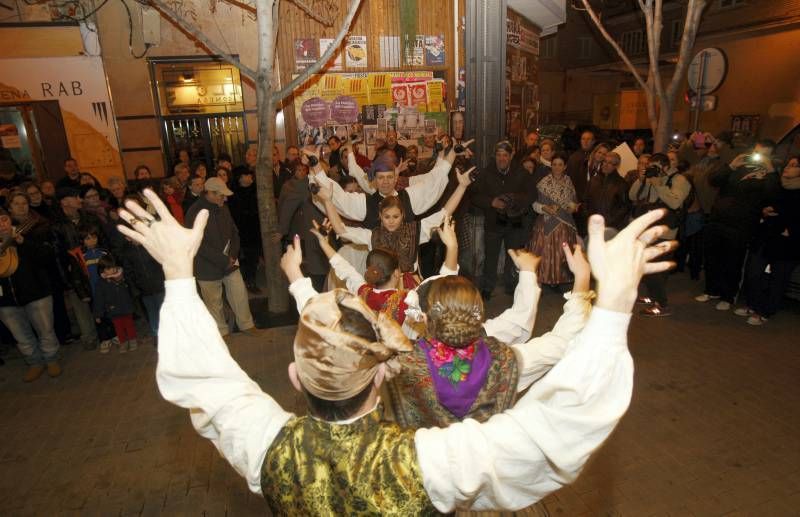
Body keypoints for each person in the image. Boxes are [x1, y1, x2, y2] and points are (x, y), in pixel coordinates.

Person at [115, 187, 674, 515]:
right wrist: (613, 300)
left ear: (293, 376)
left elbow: (205, 382)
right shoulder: (433, 461)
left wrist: (178, 275)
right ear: (382, 376)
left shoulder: (266, 446)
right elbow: (560, 426)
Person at [387, 244, 592, 429]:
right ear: (477, 312)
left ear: (422, 316)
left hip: (429, 461)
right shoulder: (502, 360)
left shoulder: (402, 363)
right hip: (483, 459)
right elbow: (561, 341)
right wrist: (581, 278)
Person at [319, 165, 474, 288]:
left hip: (409, 289)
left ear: (403, 216)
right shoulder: (372, 235)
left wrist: (462, 187)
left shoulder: (415, 231)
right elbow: (340, 229)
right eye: (387, 217)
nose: (391, 221)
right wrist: (327, 201)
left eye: (395, 216)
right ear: (380, 217)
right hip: (380, 289)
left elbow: (444, 213)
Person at [309, 215, 460, 325]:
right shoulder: (408, 300)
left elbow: (344, 268)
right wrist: (452, 247)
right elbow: (443, 285)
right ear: (396, 273)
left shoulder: (362, 292)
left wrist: (323, 243)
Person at [695, 140, 781, 311]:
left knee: (733, 261)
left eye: (764, 154)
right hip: (718, 219)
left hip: (742, 224)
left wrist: (769, 169)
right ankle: (711, 290)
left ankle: (728, 296)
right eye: (757, 152)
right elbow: (714, 181)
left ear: (770, 155)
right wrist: (732, 166)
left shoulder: (770, 175)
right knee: (712, 258)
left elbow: (773, 195)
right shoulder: (736, 166)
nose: (758, 156)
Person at [312, 137, 462, 229]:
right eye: (381, 177)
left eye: (389, 177)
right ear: (374, 180)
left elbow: (433, 181)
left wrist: (453, 154)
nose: (385, 182)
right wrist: (315, 166)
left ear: (396, 176)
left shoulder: (409, 198)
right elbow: (340, 199)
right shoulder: (366, 203)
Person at [184, 177, 256, 336]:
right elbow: (197, 243)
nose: (225, 198)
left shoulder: (223, 207)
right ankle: (221, 333)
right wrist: (223, 259)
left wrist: (233, 254)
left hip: (230, 263)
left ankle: (247, 325)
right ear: (209, 193)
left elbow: (234, 232)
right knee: (214, 303)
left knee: (240, 295)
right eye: (221, 195)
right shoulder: (194, 212)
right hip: (207, 267)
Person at [736, 157, 800, 325]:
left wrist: (790, 229)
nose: (788, 168)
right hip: (766, 237)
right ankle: (753, 304)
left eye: (794, 166)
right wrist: (764, 211)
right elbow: (764, 205)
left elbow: (790, 214)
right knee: (754, 273)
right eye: (788, 164)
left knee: (778, 280)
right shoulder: (778, 186)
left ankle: (765, 311)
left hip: (788, 244)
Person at [0, 211, 61, 381]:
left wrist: (23, 243)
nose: (1, 225)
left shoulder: (29, 232)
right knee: (21, 336)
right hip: (5, 301)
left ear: (9, 219)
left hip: (36, 293)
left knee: (45, 330)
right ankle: (34, 363)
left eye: (4, 220)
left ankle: (51, 359)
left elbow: (47, 256)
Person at [629, 153, 691, 316]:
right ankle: (652, 297)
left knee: (656, 269)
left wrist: (658, 184)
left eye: (655, 167)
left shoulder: (680, 180)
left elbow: (675, 202)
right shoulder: (652, 178)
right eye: (651, 166)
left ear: (665, 166)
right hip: (650, 229)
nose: (653, 170)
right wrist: (641, 180)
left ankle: (662, 305)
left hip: (666, 231)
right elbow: (634, 196)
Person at [470, 141, 532, 299]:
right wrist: (491, 202)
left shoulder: (521, 172)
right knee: (490, 257)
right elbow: (475, 196)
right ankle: (487, 287)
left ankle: (510, 285)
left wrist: (514, 199)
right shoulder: (485, 173)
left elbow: (532, 195)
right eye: (498, 155)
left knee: (512, 257)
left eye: (505, 155)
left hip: (514, 221)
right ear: (495, 156)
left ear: (511, 156)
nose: (502, 158)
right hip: (493, 221)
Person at [53, 188, 101, 350]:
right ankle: (89, 337)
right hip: (74, 271)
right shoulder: (57, 225)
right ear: (64, 202)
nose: (79, 200)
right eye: (74, 197)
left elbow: (102, 241)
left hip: (95, 265)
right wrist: (65, 279)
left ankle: (107, 332)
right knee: (81, 306)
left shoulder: (89, 218)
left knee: (101, 299)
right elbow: (57, 255)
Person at [527, 153, 579, 287]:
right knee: (545, 252)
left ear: (565, 166)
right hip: (547, 223)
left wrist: (573, 207)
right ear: (551, 166)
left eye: (560, 164)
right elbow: (534, 204)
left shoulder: (569, 182)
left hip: (565, 224)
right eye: (554, 164)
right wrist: (544, 208)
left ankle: (558, 281)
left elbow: (573, 201)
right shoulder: (544, 183)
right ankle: (542, 279)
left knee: (562, 253)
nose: (557, 167)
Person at [276, 162, 329, 291]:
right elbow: (287, 207)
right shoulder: (302, 185)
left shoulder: (327, 182)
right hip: (314, 231)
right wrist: (282, 230)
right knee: (318, 268)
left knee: (327, 266)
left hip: (329, 229)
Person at [120, 227, 165, 344]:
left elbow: (161, 263)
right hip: (143, 289)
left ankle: (168, 332)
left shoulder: (150, 245)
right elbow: (128, 272)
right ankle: (156, 334)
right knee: (151, 311)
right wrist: (134, 289)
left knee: (163, 310)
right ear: (127, 237)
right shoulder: (127, 252)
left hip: (159, 285)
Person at [93, 254, 138, 353]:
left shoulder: (122, 276)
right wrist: (98, 314)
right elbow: (99, 299)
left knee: (129, 325)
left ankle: (132, 340)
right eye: (108, 268)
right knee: (118, 328)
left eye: (113, 267)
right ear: (102, 270)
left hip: (126, 306)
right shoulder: (101, 283)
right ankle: (123, 342)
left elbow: (131, 290)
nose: (112, 270)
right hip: (113, 309)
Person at [228, 167, 262, 293]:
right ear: (241, 178)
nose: (250, 177)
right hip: (241, 231)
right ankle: (246, 281)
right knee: (244, 258)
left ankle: (251, 280)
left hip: (255, 230)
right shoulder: (234, 193)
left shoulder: (256, 190)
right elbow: (235, 213)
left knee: (254, 257)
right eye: (247, 175)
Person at [585, 152, 630, 235]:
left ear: (616, 166)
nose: (605, 165)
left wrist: (609, 222)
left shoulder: (621, 184)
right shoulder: (593, 180)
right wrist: (589, 217)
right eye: (604, 161)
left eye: (610, 163)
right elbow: (587, 201)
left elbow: (624, 208)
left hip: (611, 228)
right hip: (593, 225)